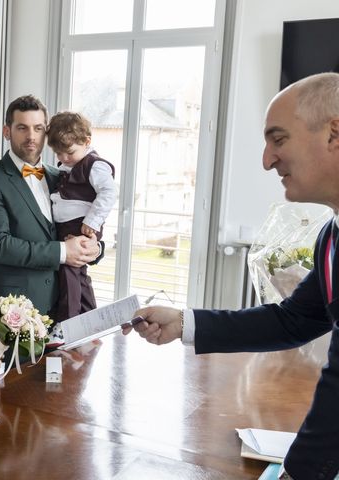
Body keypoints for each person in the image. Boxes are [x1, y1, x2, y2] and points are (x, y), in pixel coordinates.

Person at [123, 72, 339, 480]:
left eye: (279, 139)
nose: (266, 160)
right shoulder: (331, 234)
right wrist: (184, 322)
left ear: (334, 134)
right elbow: (295, 319)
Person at [0, 95, 101, 320]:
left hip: (67, 305)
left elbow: (81, 222)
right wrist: (62, 252)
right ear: (7, 131)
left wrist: (96, 249)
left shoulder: (61, 175)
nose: (31, 136)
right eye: (22, 128)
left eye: (38, 128)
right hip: (17, 311)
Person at [46, 112, 117, 320]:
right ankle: (90, 317)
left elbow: (109, 192)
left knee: (69, 273)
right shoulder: (68, 166)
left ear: (86, 141)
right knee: (79, 273)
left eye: (69, 152)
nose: (63, 158)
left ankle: (67, 323)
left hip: (81, 226)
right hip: (68, 227)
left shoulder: (94, 165)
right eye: (58, 153)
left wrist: (92, 221)